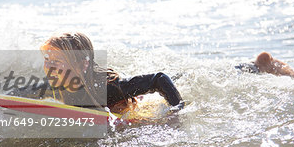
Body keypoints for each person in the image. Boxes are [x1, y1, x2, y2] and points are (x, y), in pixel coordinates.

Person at [14, 32, 184, 114]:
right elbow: (21, 93)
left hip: (132, 105)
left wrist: (177, 113)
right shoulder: (56, 84)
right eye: (47, 59)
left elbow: (158, 79)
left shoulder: (108, 88)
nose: (48, 67)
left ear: (82, 64)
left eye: (56, 61)